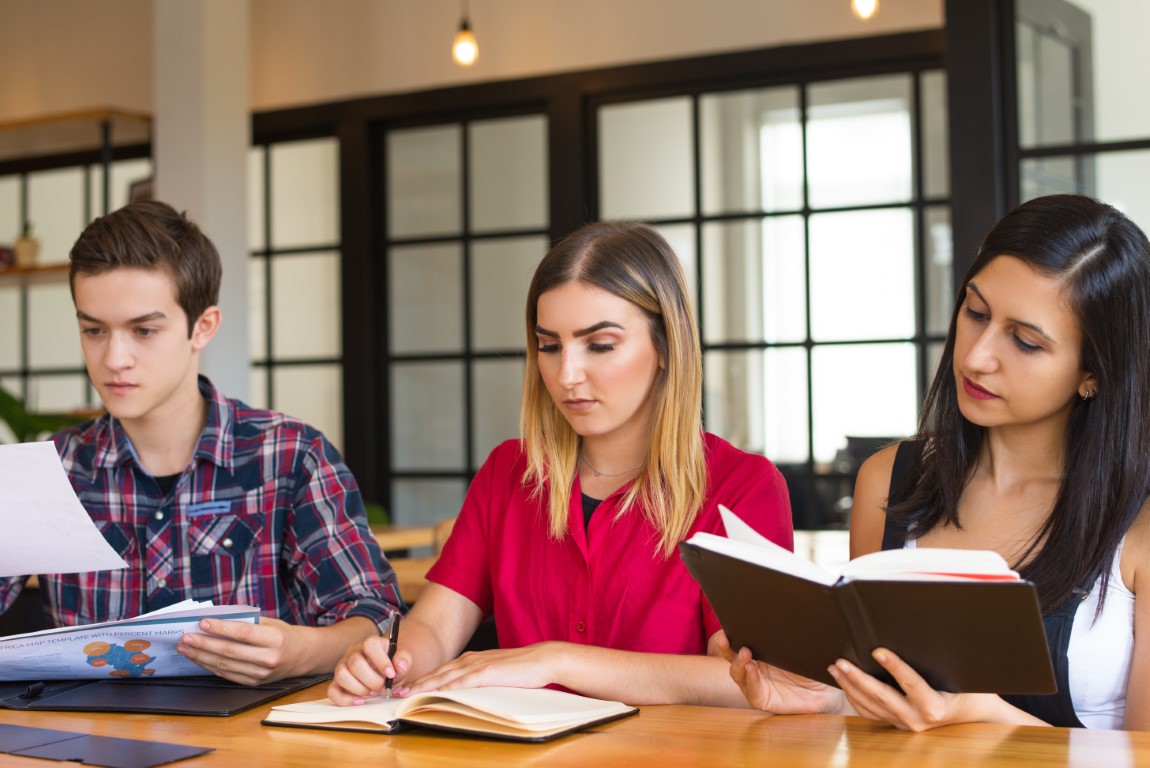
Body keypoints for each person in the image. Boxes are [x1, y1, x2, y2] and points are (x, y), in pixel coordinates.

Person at [721, 194, 1150, 730]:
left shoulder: (1139, 522)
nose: (974, 356)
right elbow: (886, 716)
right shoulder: (889, 483)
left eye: (1024, 341)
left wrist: (982, 714)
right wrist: (826, 697)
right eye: (975, 312)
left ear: (1095, 372)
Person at [328, 221, 793, 706]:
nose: (567, 374)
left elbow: (754, 682)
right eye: (549, 347)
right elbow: (435, 627)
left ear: (665, 345)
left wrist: (556, 659)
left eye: (600, 345)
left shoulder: (743, 486)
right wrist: (386, 663)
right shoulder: (509, 473)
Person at [0, 201, 403, 686]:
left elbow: (376, 614)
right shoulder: (53, 468)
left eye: (144, 330)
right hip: (83, 745)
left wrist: (302, 651)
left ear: (203, 327)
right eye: (93, 330)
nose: (114, 358)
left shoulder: (291, 456)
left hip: (255, 746)